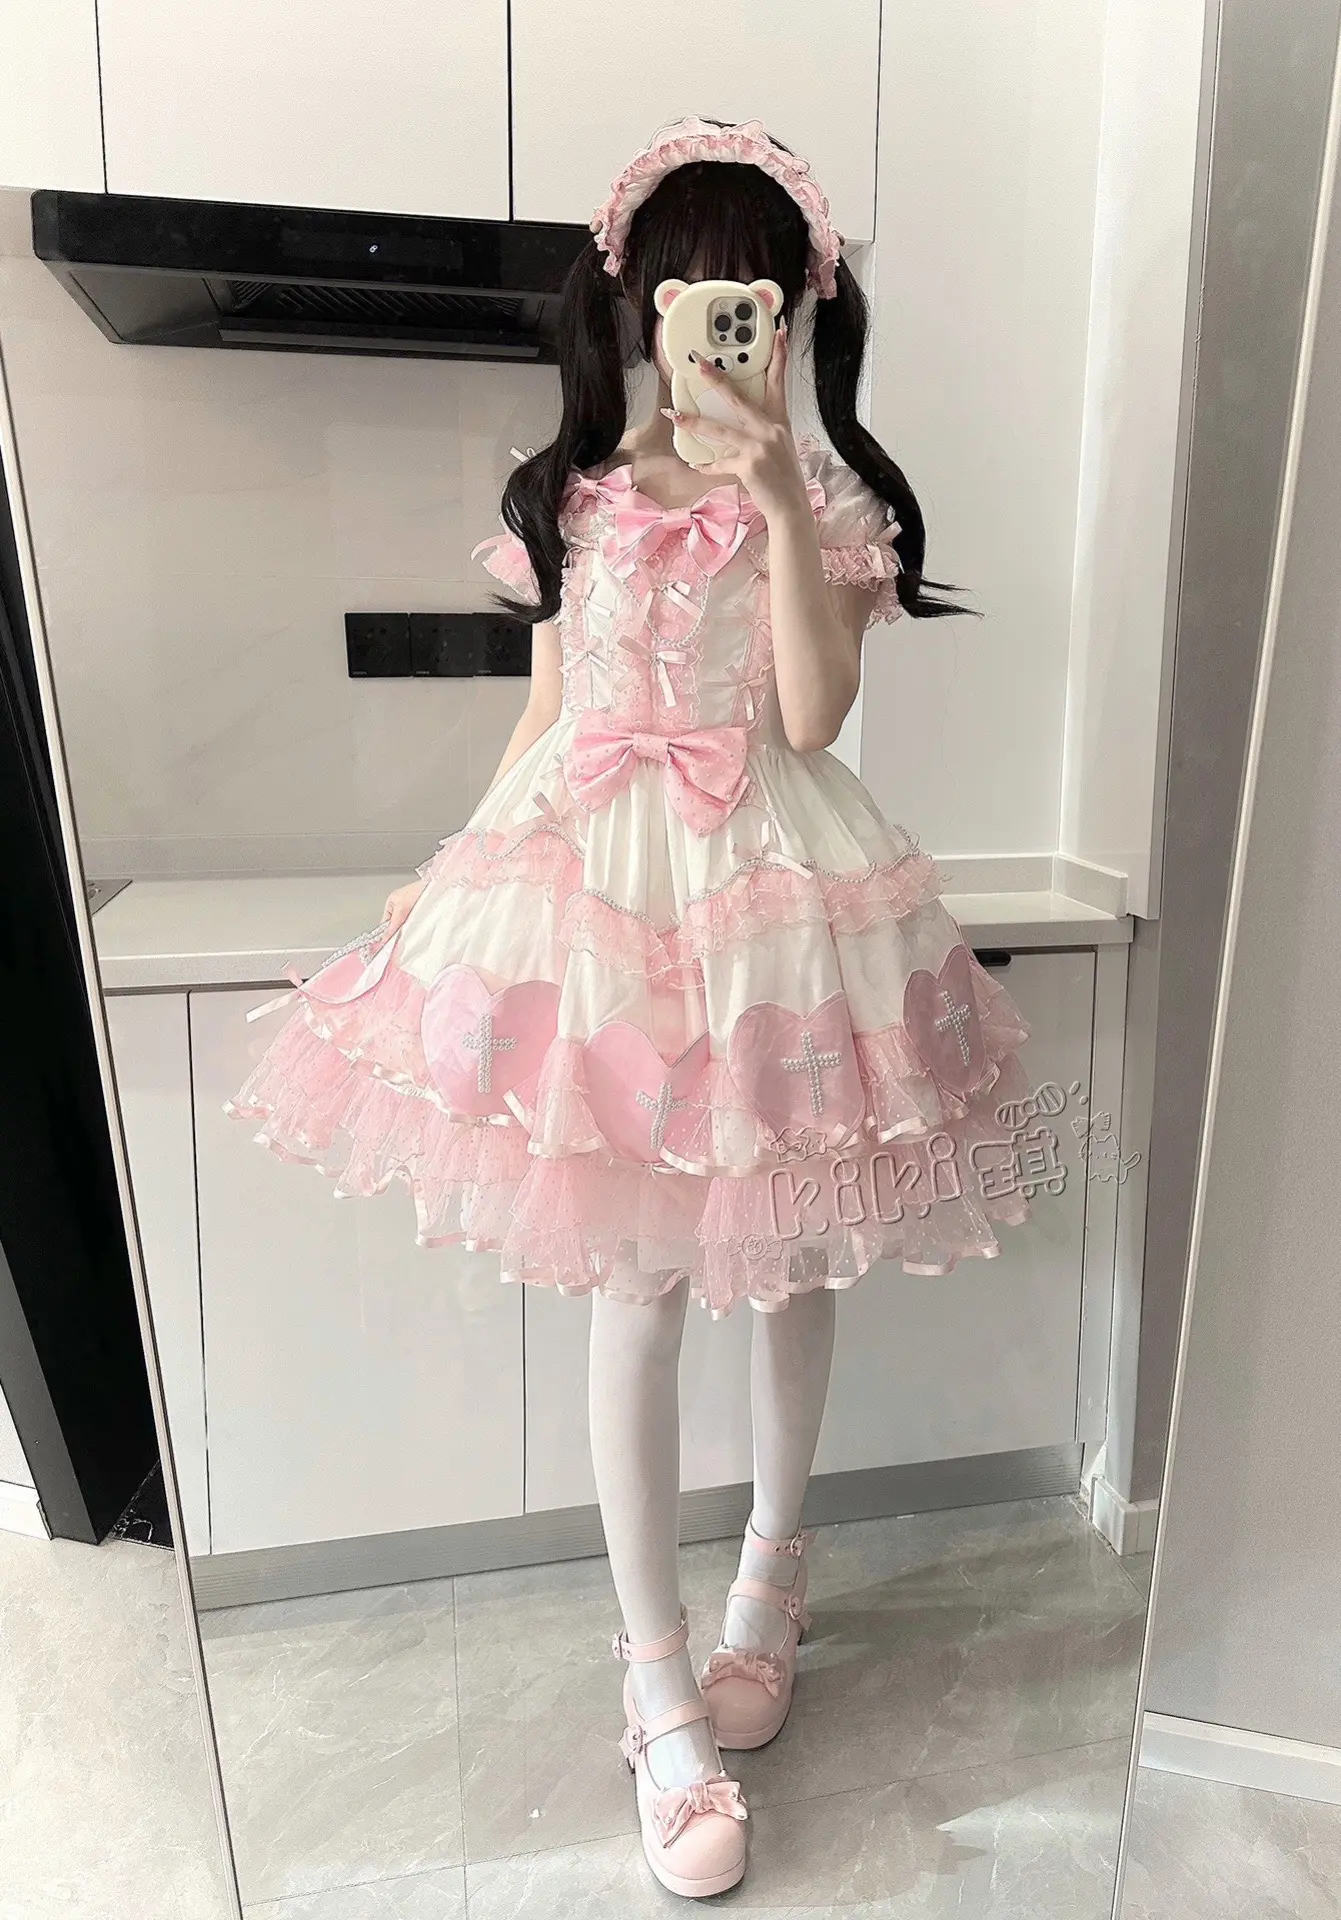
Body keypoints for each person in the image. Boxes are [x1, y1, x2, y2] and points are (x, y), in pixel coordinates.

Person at [226, 116, 1033, 1899]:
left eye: (754, 294)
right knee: (640, 1288)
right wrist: (451, 869)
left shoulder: (831, 506)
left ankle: (772, 1578)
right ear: (638, 306)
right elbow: (544, 714)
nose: (719, 323)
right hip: (594, 898)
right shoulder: (565, 496)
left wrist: (774, 495)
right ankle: (655, 1686)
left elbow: (808, 721)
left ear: (794, 315)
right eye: (688, 290)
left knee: (793, 1256)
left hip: (773, 897)